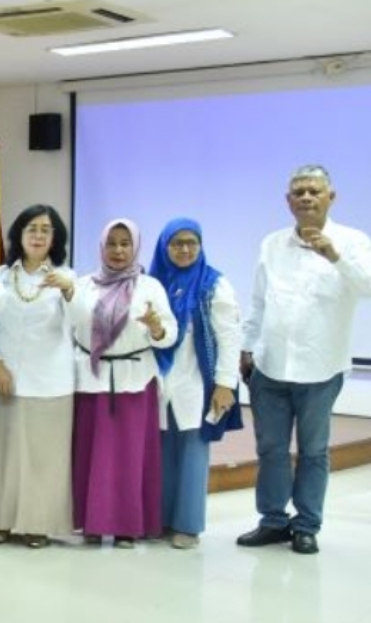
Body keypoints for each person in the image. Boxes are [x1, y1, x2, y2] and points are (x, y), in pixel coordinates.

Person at [238, 165, 371, 555]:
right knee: (271, 450)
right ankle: (273, 521)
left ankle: (307, 525)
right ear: (288, 201)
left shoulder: (352, 241)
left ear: (332, 197)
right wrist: (247, 348)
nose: (307, 197)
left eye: (315, 191)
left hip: (321, 368)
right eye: (299, 192)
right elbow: (260, 301)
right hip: (271, 366)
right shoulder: (271, 244)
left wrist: (336, 257)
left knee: (314, 452)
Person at [0, 205, 76, 550]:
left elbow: (84, 327)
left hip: (49, 383)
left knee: (43, 459)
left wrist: (70, 293)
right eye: (31, 228)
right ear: (18, 234)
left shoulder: (69, 279)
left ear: (55, 238)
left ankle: (38, 525)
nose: (38, 235)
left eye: (46, 229)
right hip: (2, 381)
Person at [68, 219, 175, 548]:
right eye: (111, 243)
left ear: (135, 247)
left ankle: (128, 527)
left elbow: (168, 335)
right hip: (91, 379)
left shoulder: (150, 287)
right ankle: (91, 524)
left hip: (134, 381)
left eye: (124, 244)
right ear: (101, 246)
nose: (117, 250)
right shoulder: (83, 285)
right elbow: (70, 328)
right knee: (90, 455)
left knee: (129, 458)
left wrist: (156, 327)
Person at [149, 218, 243, 550]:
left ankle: (187, 524)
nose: (185, 249)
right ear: (164, 247)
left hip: (196, 381)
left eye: (192, 242)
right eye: (177, 243)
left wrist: (224, 385)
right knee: (159, 452)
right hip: (158, 382)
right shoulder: (152, 282)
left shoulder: (213, 285)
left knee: (191, 451)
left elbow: (229, 338)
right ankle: (158, 519)